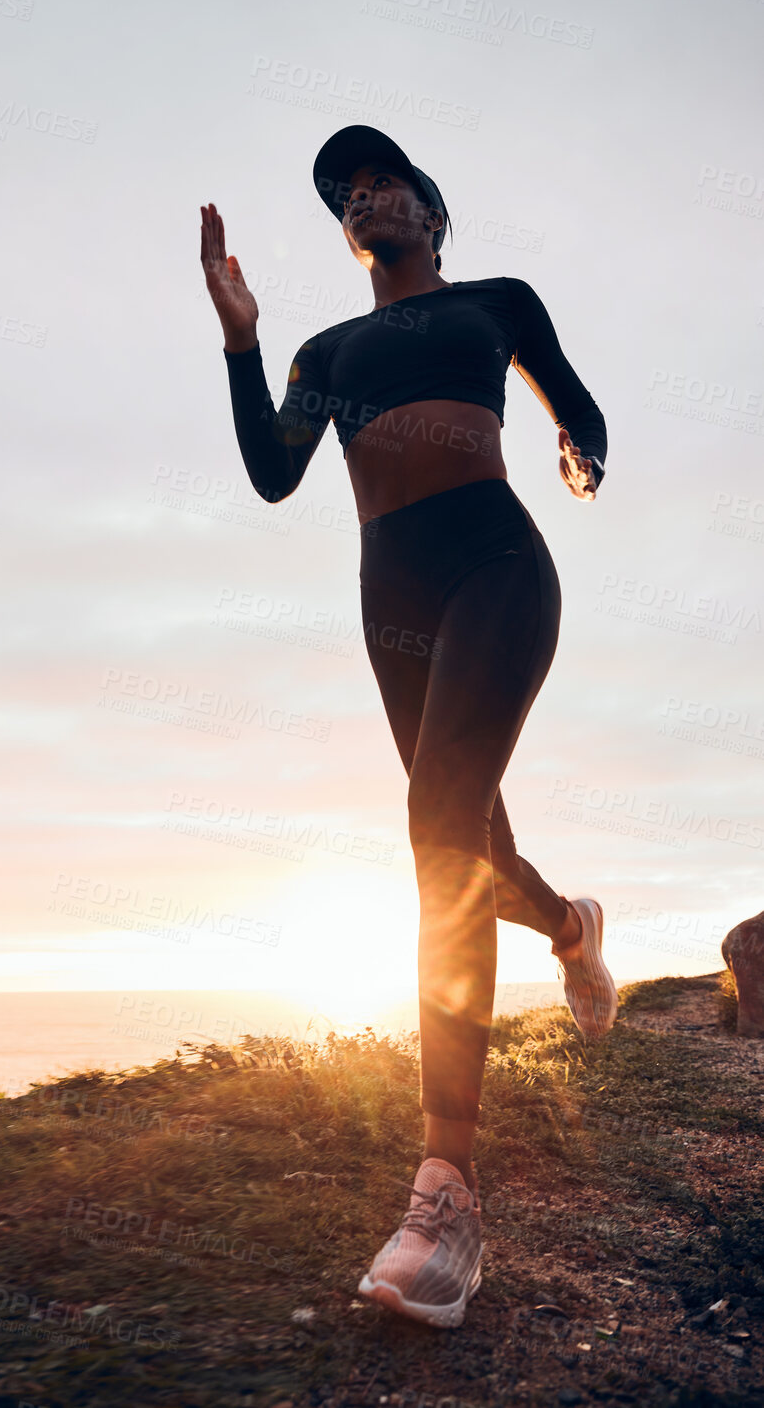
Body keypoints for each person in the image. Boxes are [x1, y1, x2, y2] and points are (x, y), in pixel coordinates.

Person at [199, 124, 619, 1329]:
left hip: (496, 562)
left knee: (436, 823)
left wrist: (580, 456)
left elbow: (581, 413)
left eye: (382, 180)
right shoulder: (327, 350)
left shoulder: (497, 302)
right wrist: (243, 340)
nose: (362, 195)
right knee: (470, 847)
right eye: (345, 193)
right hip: (393, 599)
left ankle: (447, 1196)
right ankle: (571, 926)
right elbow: (273, 471)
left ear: (432, 212)